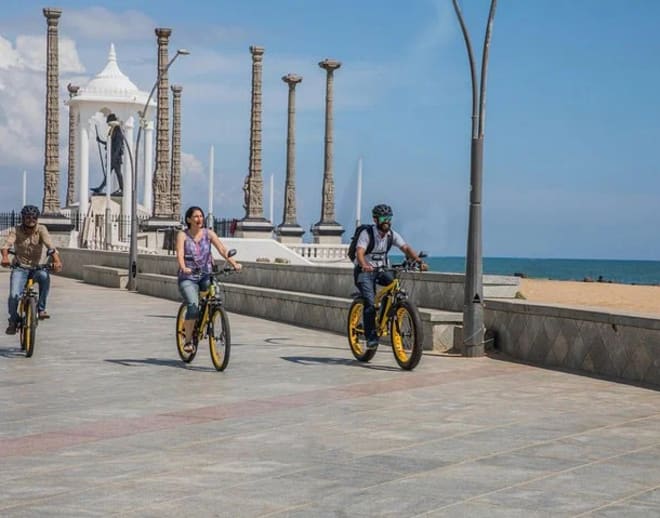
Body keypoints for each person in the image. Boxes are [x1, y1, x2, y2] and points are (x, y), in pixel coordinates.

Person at [354, 203, 427, 349]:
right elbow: (360, 252)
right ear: (376, 220)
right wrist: (364, 265)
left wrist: (418, 261)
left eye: (389, 217)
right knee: (369, 303)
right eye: (383, 218)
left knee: (396, 288)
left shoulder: (391, 235)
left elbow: (405, 247)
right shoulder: (367, 234)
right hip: (364, 272)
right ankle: (371, 337)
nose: (386, 221)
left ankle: (390, 312)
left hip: (380, 270)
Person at [176, 206, 241, 353]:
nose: (199, 219)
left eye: (201, 216)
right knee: (193, 305)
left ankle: (211, 317)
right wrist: (183, 266)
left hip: (206, 274)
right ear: (189, 220)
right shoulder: (183, 235)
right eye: (196, 217)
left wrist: (234, 263)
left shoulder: (208, 234)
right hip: (188, 277)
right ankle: (187, 341)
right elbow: (179, 253)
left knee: (215, 296)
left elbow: (223, 250)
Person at [1, 205, 63, 334]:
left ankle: (41, 309)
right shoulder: (16, 230)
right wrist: (5, 258)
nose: (31, 219)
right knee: (14, 296)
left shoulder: (41, 229)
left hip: (37, 267)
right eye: (28, 217)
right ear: (23, 218)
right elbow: (6, 246)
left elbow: (50, 246)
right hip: (20, 268)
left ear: (37, 218)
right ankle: (13, 320)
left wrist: (57, 261)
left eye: (33, 217)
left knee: (45, 277)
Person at [91, 113, 124, 196]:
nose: (107, 124)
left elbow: (118, 145)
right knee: (108, 174)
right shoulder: (112, 130)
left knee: (118, 173)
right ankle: (100, 188)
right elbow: (110, 143)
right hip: (111, 156)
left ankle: (122, 188)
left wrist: (114, 157)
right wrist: (100, 141)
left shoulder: (117, 130)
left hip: (115, 158)